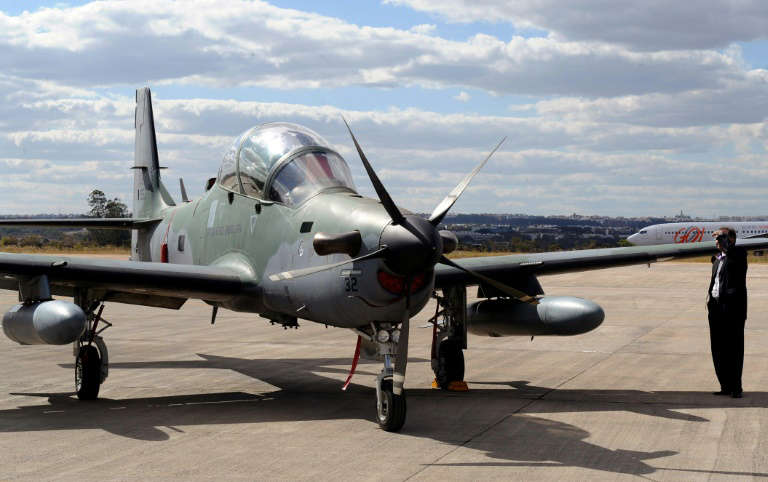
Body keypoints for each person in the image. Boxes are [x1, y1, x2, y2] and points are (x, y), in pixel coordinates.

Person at [707, 227, 747, 398]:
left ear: (730, 239)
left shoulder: (738, 256)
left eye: (720, 237)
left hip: (732, 309)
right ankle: (725, 385)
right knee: (718, 348)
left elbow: (734, 259)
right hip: (715, 308)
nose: (716, 240)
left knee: (734, 349)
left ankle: (736, 388)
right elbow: (715, 283)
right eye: (716, 238)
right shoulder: (717, 259)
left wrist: (727, 244)